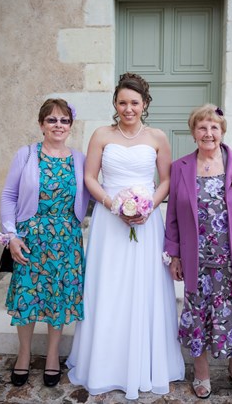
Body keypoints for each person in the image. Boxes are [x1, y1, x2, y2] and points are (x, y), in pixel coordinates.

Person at [66, 72, 185, 400]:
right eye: (122, 102)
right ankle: (104, 364)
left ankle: (144, 363)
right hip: (109, 220)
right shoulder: (101, 134)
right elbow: (90, 177)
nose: (128, 108)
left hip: (146, 223)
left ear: (144, 104)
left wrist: (148, 207)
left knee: (143, 287)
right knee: (109, 286)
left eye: (134, 102)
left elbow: (166, 180)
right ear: (115, 104)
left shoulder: (158, 137)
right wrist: (112, 204)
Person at [163, 104, 232, 402]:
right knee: (198, 314)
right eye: (202, 127)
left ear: (222, 132)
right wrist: (174, 255)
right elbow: (171, 216)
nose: (208, 133)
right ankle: (202, 371)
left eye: (214, 128)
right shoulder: (181, 167)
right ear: (193, 132)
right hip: (198, 260)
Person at [0, 99, 90, 387]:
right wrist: (11, 235)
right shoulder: (26, 155)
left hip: (66, 239)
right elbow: (8, 196)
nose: (58, 125)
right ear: (41, 125)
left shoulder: (80, 159)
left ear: (70, 126)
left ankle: (52, 355)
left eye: (64, 121)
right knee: (27, 294)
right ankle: (24, 354)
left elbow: (95, 193)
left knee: (58, 298)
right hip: (29, 238)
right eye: (52, 120)